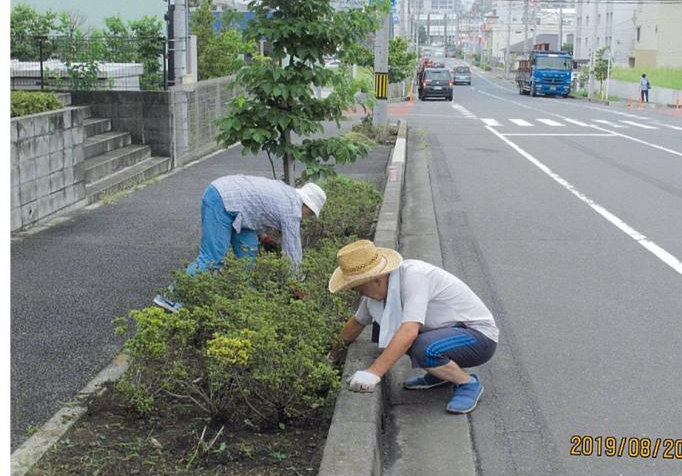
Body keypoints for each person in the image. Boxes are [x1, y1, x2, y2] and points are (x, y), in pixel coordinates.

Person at [327, 240, 498, 414]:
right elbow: (357, 323)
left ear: (376, 279)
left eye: (359, 288)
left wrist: (374, 372)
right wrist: (332, 357)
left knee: (421, 347)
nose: (360, 293)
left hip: (479, 336)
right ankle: (441, 374)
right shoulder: (379, 293)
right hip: (450, 331)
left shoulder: (414, 276)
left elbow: (409, 332)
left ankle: (467, 383)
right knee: (389, 331)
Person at [154, 175, 326, 312]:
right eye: (310, 214)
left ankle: (243, 303)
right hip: (221, 200)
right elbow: (293, 253)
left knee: (248, 255)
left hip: (237, 206)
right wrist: (297, 285)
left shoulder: (288, 194)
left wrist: (264, 237)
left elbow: (255, 208)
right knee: (213, 258)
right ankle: (169, 297)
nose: (306, 218)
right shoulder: (292, 210)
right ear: (307, 206)